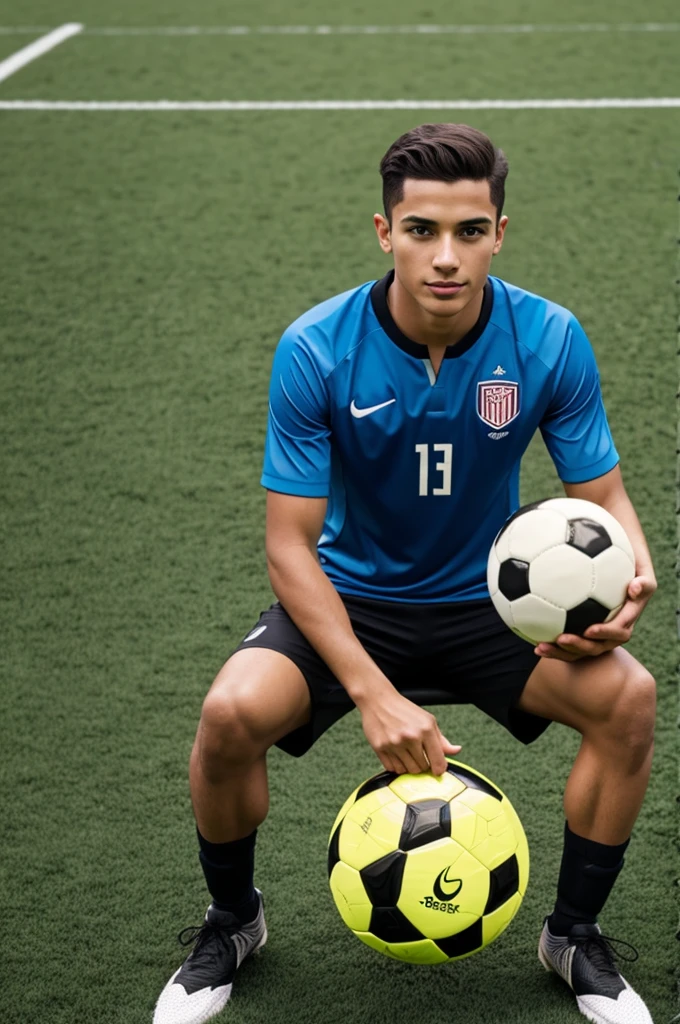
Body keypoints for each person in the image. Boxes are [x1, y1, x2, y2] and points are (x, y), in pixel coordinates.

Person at [153, 123, 657, 1024]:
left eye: (470, 231)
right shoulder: (317, 347)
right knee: (230, 715)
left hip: (495, 608)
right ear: (384, 232)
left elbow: (606, 497)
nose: (446, 256)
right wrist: (372, 693)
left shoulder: (547, 337)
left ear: (500, 232)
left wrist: (633, 567)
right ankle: (233, 922)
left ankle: (572, 935)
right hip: (351, 604)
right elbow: (287, 546)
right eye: (421, 230)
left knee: (629, 700)